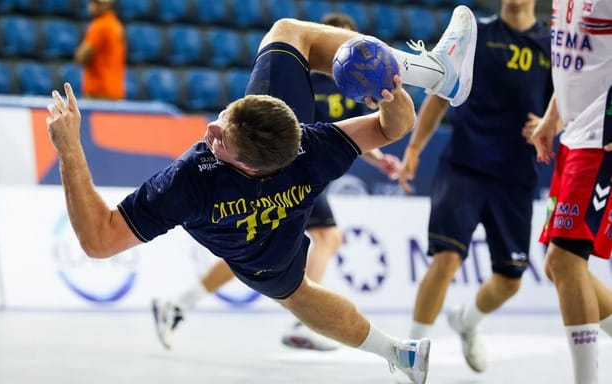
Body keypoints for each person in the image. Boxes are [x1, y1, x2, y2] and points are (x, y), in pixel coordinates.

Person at [46, 6, 478, 383]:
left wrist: (69, 149)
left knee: (301, 295)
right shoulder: (313, 147)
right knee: (304, 294)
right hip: (277, 232)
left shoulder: (192, 180)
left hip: (257, 257)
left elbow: (98, 241)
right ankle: (434, 73)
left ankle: (394, 353)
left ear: (247, 163)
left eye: (220, 139)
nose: (210, 130)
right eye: (224, 118)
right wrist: (392, 91)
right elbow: (394, 127)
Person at [150, 12, 403, 353]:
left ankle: (179, 304)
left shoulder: (352, 82)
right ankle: (303, 322)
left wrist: (378, 158)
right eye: (334, 38)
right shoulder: (307, 78)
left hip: (302, 167)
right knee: (320, 238)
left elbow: (344, 130)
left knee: (261, 248)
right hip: (286, 166)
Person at [397, 0, 552, 373]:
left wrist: (549, 125)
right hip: (465, 164)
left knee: (510, 280)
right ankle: (411, 358)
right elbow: (439, 92)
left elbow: (565, 104)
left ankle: (466, 321)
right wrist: (415, 147)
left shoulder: (553, 43)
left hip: (516, 175)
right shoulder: (475, 32)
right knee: (447, 258)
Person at [529, 0, 612, 382]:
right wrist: (551, 118)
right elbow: (571, 64)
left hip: (600, 141)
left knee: (565, 261)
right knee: (557, 265)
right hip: (574, 138)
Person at [74, 0, 125, 100]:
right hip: (115, 92)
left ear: (107, 5)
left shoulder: (100, 25)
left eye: (97, 3)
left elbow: (80, 57)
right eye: (93, 2)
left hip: (98, 93)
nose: (92, 6)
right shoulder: (116, 24)